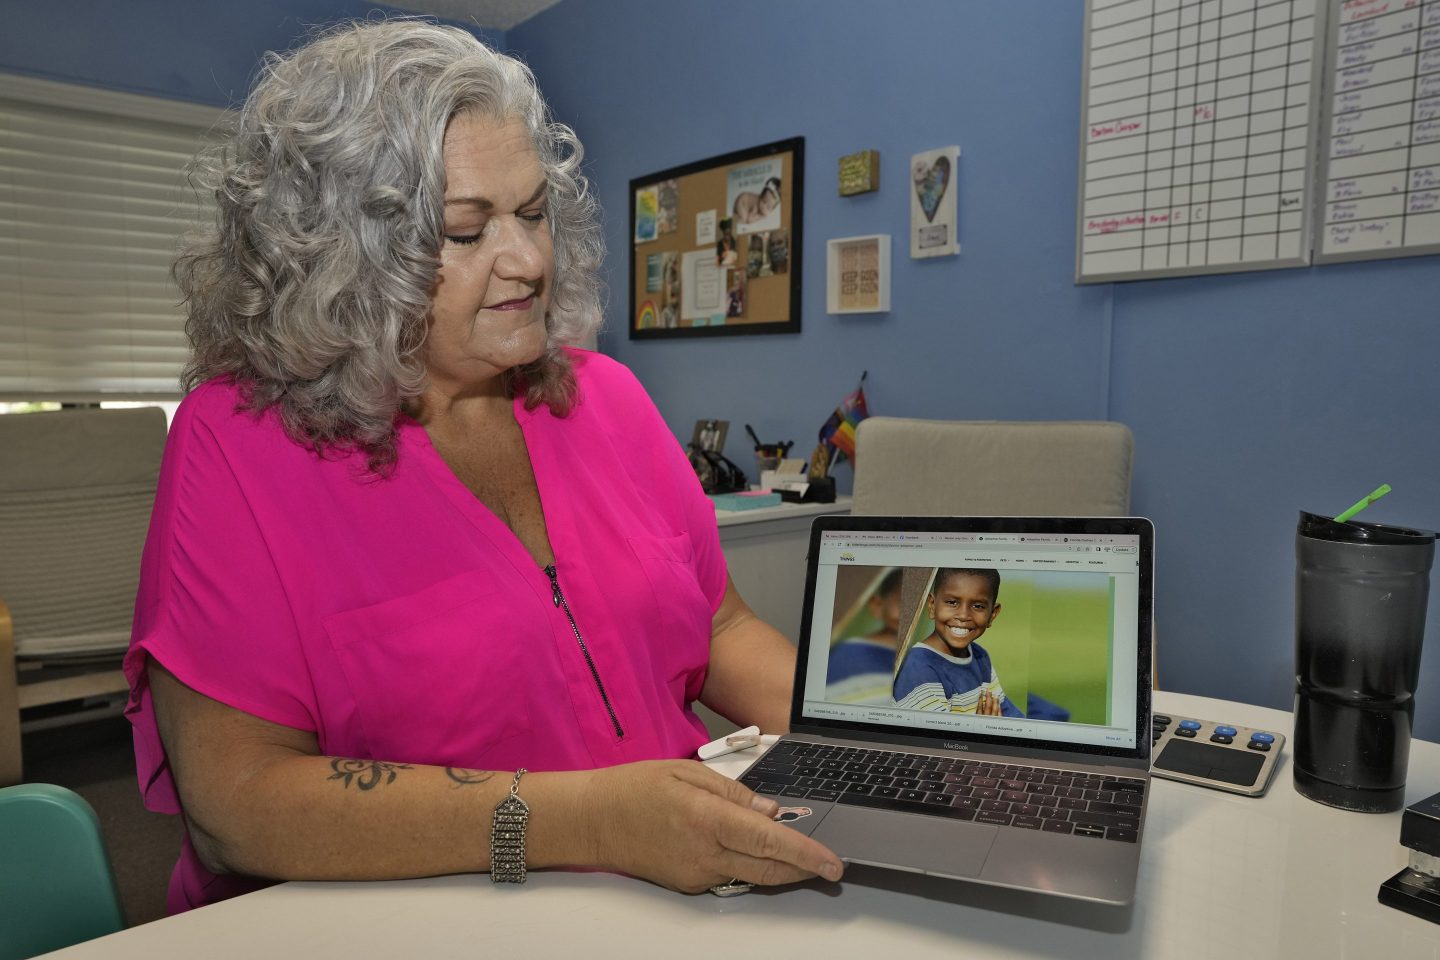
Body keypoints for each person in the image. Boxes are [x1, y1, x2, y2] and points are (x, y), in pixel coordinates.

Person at [122, 20, 842, 914]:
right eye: (466, 232)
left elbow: (722, 630)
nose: (531, 260)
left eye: (534, 213)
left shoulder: (604, 396)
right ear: (342, 257)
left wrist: (874, 738)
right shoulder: (238, 442)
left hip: (672, 895)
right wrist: (589, 823)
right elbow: (236, 804)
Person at [891, 568, 1023, 717]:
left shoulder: (980, 657)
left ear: (992, 614)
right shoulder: (919, 668)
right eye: (952, 602)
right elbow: (935, 737)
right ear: (932, 605)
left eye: (977, 606)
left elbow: (1009, 715)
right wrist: (981, 729)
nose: (963, 615)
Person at [825, 568, 903, 704]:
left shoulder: (913, 656)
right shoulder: (848, 652)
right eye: (902, 602)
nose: (908, 613)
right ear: (877, 606)